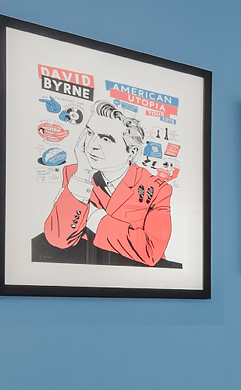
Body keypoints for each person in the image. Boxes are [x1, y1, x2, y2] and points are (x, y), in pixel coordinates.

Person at [33, 101, 177, 266]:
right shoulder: (75, 174)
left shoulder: (157, 189)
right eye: (89, 133)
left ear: (132, 152)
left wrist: (92, 215)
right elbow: (58, 239)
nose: (92, 145)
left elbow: (150, 251)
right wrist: (82, 173)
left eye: (106, 139)